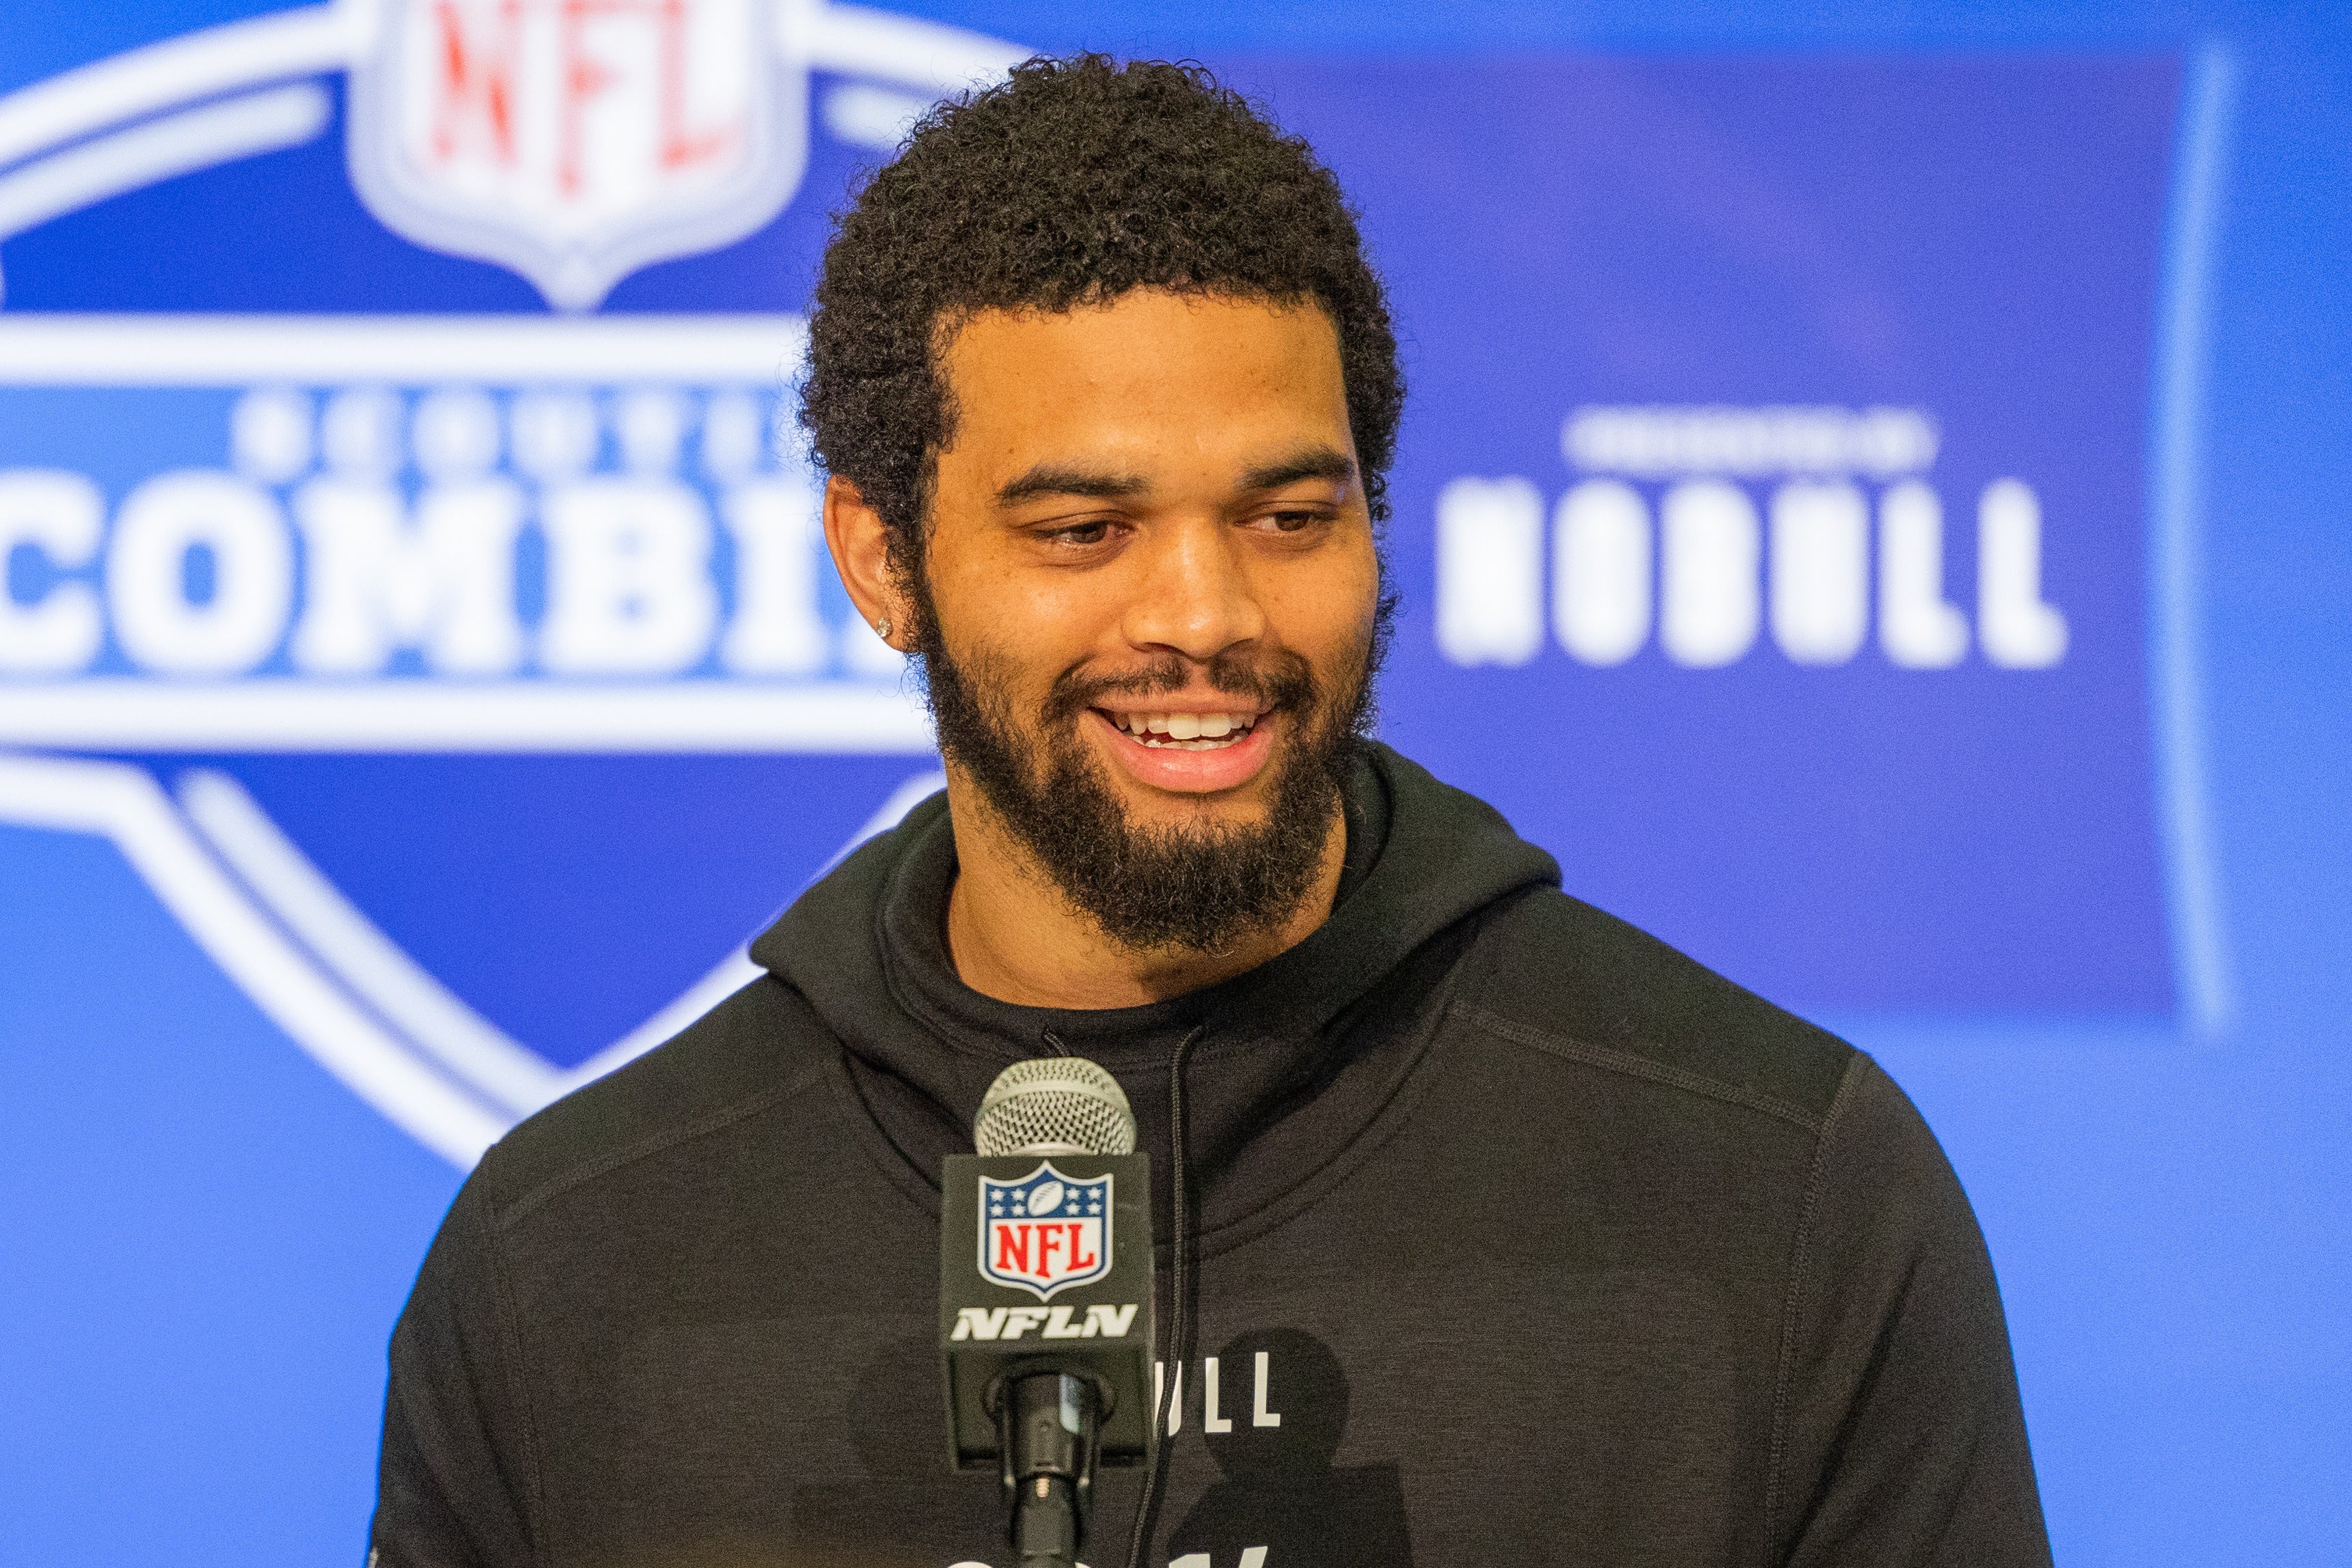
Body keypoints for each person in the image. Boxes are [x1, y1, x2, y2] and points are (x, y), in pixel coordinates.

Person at [370, 56, 2052, 1568]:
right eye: (1082, 529)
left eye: (1284, 513)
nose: (1207, 612)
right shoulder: (575, 1264)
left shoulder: (1767, 1188)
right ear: (883, 559)